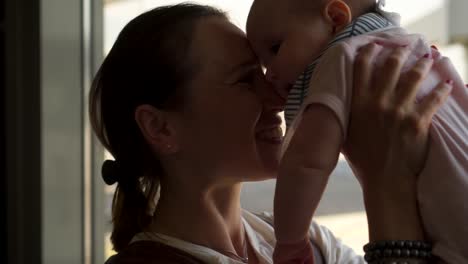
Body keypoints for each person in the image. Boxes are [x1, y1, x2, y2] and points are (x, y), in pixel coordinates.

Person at [89, 3, 451, 264]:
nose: (280, 96)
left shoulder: (308, 243)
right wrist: (386, 182)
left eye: (267, 73)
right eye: (247, 80)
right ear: (160, 127)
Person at [246, 0, 468, 263]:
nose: (269, 74)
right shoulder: (415, 47)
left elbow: (306, 164)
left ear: (336, 18)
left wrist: (290, 242)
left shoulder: (342, 58)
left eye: (275, 49)